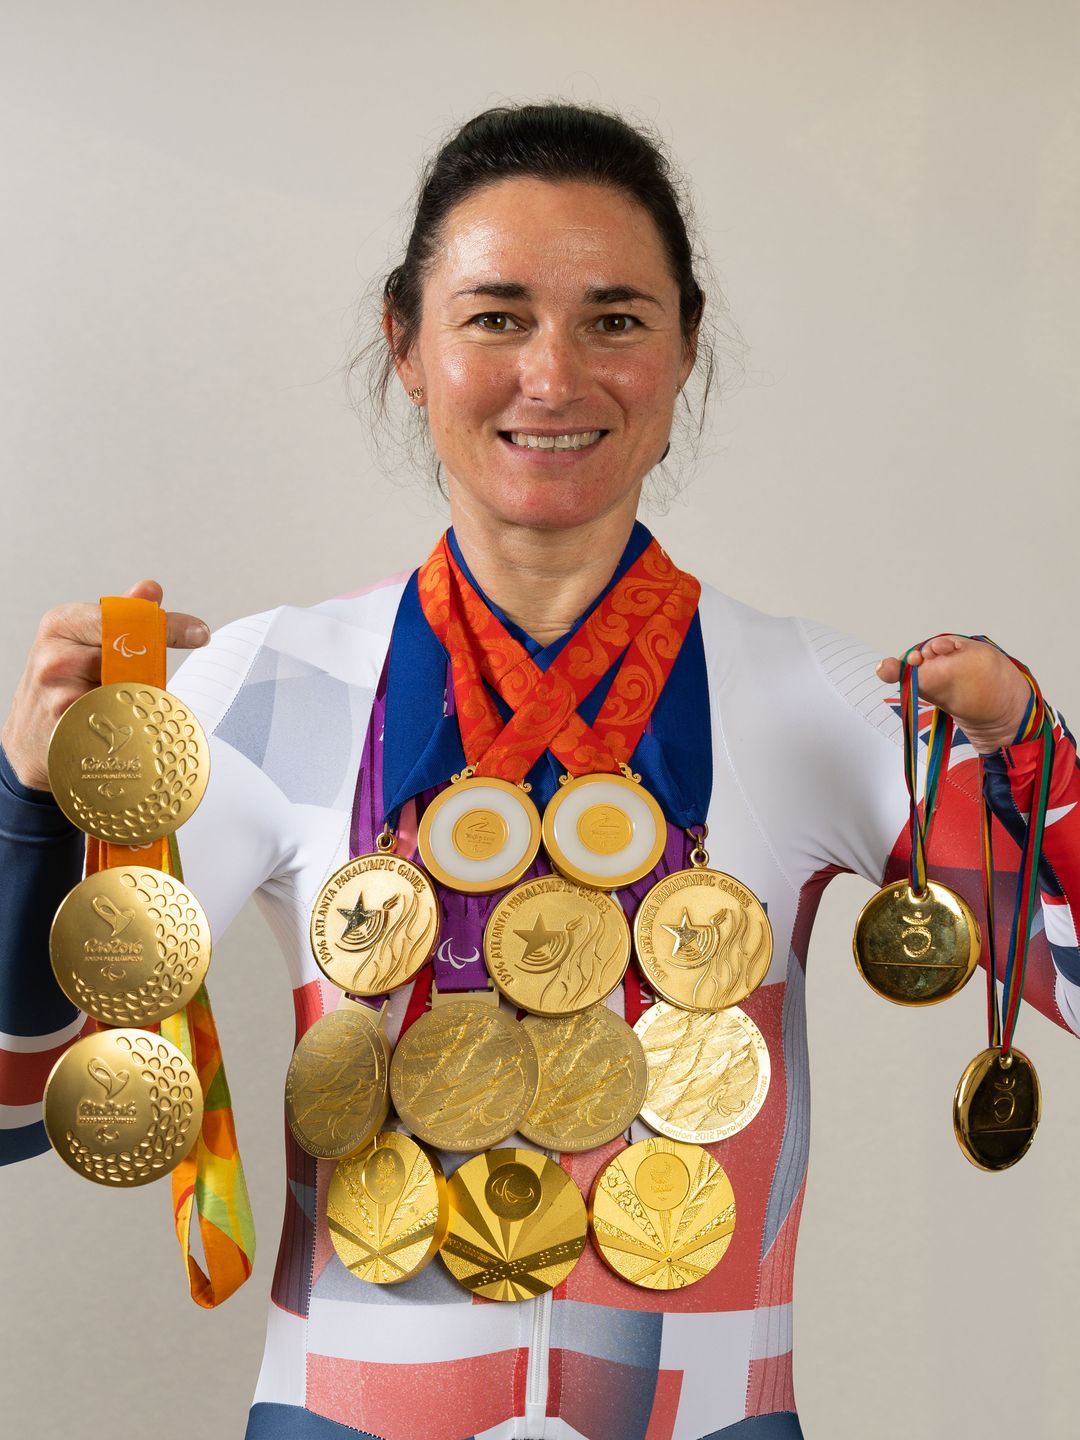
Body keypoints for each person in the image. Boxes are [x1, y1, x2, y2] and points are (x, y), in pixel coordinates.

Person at [2, 102, 1079, 1440]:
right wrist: (38, 807)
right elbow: (20, 1101)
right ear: (407, 344)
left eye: (615, 319)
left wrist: (1033, 759)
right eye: (496, 317)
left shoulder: (816, 696)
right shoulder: (263, 690)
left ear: (687, 345)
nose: (554, 379)